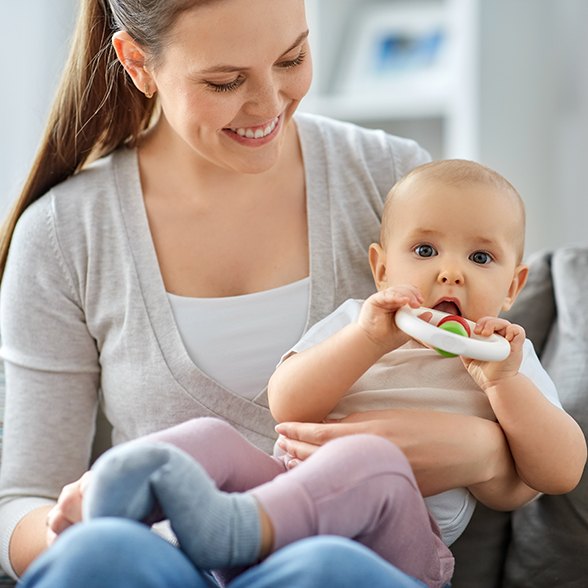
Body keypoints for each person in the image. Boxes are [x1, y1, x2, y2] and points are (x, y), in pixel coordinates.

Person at [0, 0, 559, 585]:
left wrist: (479, 448)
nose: (270, 107)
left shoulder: (392, 179)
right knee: (103, 555)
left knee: (325, 566)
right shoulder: (66, 233)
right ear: (137, 62)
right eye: (225, 81)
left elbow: (537, 471)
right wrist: (86, 521)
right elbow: (23, 498)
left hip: (359, 554)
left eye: (292, 58)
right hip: (168, 561)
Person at [66, 160, 585, 588]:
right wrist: (368, 340)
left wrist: (502, 383)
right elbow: (287, 405)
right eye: (424, 251)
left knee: (371, 461)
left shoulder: (504, 357)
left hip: (398, 546)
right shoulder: (359, 325)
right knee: (211, 437)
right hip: (284, 491)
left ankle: (233, 531)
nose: (451, 271)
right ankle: (122, 491)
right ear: (382, 269)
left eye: (480, 256)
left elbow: (560, 471)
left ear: (514, 285)